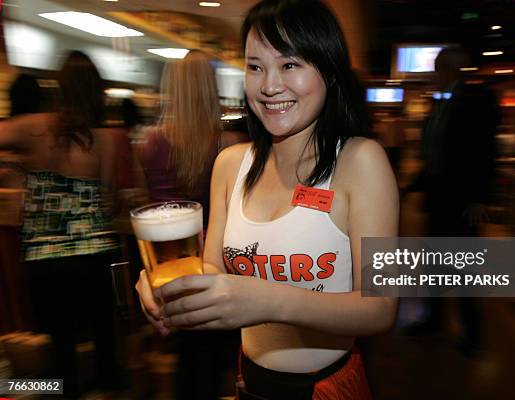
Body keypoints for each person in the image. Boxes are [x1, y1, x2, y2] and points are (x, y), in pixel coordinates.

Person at [136, 0, 399, 399]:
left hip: (326, 388)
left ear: (328, 69)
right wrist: (166, 287)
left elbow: (380, 307)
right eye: (255, 66)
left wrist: (269, 301)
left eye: (290, 65)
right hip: (249, 382)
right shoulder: (230, 164)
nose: (269, 85)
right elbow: (209, 266)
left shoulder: (361, 161)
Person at [0, 51, 122, 398]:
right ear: (98, 91)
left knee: (61, 342)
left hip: (43, 256)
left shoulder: (32, 127)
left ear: (59, 87)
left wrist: (18, 166)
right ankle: (110, 388)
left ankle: (64, 391)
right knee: (103, 337)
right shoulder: (105, 139)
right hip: (95, 253)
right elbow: (108, 200)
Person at [135, 49, 240, 400]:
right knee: (214, 354)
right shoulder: (227, 145)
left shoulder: (151, 142)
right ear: (210, 88)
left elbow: (143, 198)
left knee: (183, 349)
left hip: (165, 258)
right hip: (213, 255)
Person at [403, 46, 499, 357]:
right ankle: (435, 319)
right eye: (436, 66)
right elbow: (434, 155)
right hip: (439, 199)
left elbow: (485, 153)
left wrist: (481, 199)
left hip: (462, 201)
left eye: (441, 66)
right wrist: (410, 187)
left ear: (457, 68)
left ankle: (473, 336)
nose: (436, 72)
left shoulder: (477, 100)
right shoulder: (440, 102)